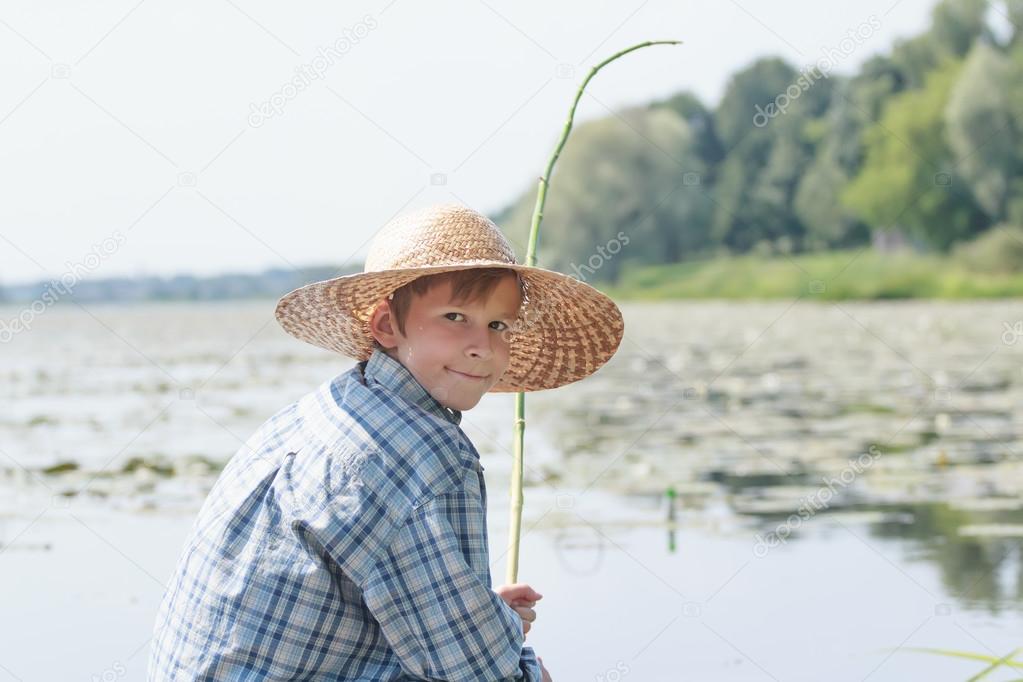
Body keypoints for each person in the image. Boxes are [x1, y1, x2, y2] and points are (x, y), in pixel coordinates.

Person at [148, 203, 624, 680]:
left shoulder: (325, 408)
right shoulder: (425, 454)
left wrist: (484, 617)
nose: (483, 344)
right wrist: (520, 665)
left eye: (499, 325)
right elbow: (473, 672)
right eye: (456, 316)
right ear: (384, 326)